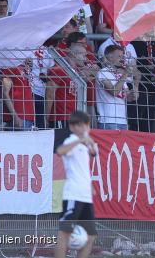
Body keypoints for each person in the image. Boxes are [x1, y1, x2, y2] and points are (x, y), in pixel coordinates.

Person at [55, 110, 98, 258]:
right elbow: (60, 151)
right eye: (81, 125)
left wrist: (90, 185)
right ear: (73, 127)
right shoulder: (71, 141)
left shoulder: (86, 144)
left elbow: (83, 167)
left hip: (85, 195)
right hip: (73, 194)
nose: (86, 128)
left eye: (87, 124)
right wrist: (80, 140)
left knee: (91, 236)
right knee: (65, 231)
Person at [96, 45, 138, 130]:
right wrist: (125, 74)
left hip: (122, 120)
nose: (122, 59)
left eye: (123, 56)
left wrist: (134, 93)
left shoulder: (120, 74)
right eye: (119, 56)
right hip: (108, 120)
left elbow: (127, 97)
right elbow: (114, 92)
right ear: (109, 57)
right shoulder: (102, 73)